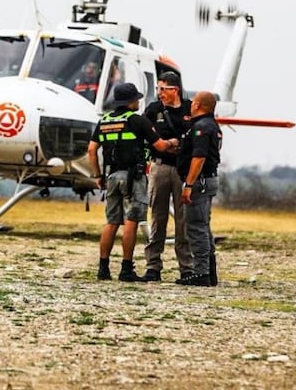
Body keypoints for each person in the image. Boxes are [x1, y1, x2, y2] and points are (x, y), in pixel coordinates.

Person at [87, 81, 174, 281]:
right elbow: (160, 146)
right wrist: (173, 143)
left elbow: (92, 150)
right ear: (131, 101)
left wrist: (98, 176)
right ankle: (126, 269)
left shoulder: (105, 120)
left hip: (111, 177)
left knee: (111, 222)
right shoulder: (138, 120)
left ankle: (103, 269)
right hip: (134, 177)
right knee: (132, 221)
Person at [140, 71, 192, 282]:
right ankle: (153, 266)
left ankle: (186, 267)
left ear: (175, 90)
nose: (160, 93)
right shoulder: (153, 110)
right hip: (160, 167)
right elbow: (143, 132)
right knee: (157, 217)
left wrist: (178, 144)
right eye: (158, 89)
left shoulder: (189, 109)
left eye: (164, 89)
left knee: (183, 220)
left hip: (183, 169)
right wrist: (167, 144)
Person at [176, 91, 223, 286]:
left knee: (196, 227)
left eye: (194, 102)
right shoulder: (213, 125)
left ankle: (201, 273)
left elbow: (199, 157)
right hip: (208, 180)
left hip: (200, 182)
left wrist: (189, 184)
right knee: (203, 226)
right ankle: (209, 272)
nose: (191, 105)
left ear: (198, 105)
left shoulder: (201, 127)